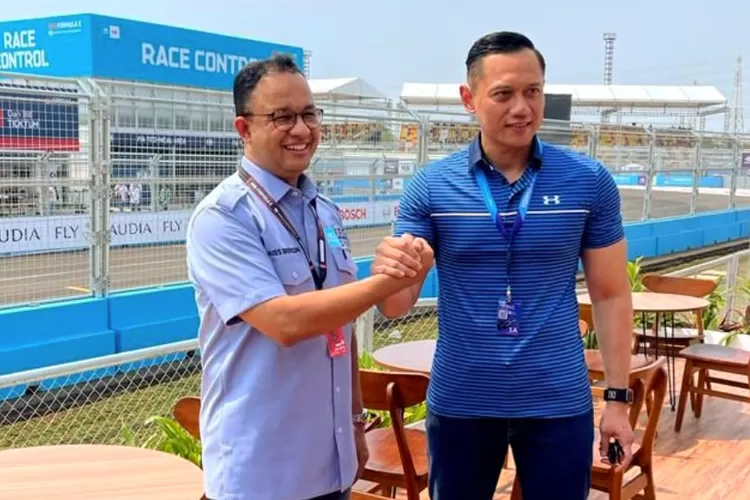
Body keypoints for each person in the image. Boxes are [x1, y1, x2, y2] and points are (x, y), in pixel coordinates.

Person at [373, 32, 635, 500]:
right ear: (468, 98)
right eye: (503, 94)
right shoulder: (431, 187)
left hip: (557, 400)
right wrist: (389, 270)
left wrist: (616, 399)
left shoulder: (587, 181)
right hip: (462, 400)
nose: (522, 108)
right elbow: (395, 306)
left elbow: (611, 293)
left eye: (533, 91)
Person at [185, 55, 433, 500]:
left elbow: (342, 325)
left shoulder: (325, 213)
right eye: (282, 117)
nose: (301, 129)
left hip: (329, 464)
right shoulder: (224, 218)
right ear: (244, 129)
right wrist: (386, 282)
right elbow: (285, 322)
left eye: (309, 114)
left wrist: (355, 421)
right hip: (262, 471)